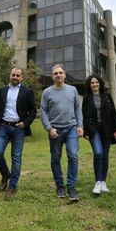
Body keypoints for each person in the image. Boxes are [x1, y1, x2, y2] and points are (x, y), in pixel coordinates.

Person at [0, 67, 37, 198]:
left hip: (18, 128)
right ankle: (5, 174)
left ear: (21, 78)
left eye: (18, 75)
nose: (15, 77)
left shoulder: (27, 92)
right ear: (9, 76)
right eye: (13, 75)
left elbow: (33, 111)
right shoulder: (2, 91)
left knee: (16, 158)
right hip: (4, 126)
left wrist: (25, 123)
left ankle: (12, 186)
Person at [41, 64, 83, 201]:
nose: (58, 75)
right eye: (55, 73)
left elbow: (78, 109)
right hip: (55, 130)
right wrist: (49, 128)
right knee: (55, 158)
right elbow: (43, 112)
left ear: (64, 75)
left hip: (71, 127)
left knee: (73, 155)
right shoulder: (47, 92)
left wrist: (80, 125)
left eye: (60, 73)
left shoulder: (73, 90)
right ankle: (60, 186)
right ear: (52, 76)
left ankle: (71, 187)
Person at [82, 75, 116, 195]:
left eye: (96, 82)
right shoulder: (86, 98)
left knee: (105, 155)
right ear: (89, 85)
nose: (94, 85)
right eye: (92, 83)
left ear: (100, 84)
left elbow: (114, 113)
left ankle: (103, 182)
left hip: (107, 129)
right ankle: (97, 182)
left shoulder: (107, 96)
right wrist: (85, 132)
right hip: (94, 130)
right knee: (98, 153)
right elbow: (84, 115)